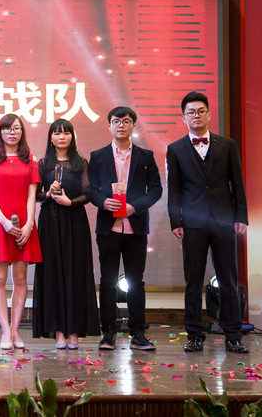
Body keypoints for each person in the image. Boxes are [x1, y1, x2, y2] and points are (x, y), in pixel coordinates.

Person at [167, 91, 249, 354]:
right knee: (193, 280)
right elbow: (174, 189)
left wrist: (241, 217)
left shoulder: (227, 144)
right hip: (192, 222)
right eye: (191, 112)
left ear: (209, 114)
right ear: (183, 117)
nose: (196, 116)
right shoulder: (175, 149)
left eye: (201, 111)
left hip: (224, 219)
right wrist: (175, 221)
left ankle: (233, 335)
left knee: (228, 279)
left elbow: (237, 183)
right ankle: (194, 334)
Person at [88, 106, 162, 351]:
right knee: (108, 281)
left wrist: (135, 207)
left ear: (133, 126)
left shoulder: (145, 156)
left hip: (135, 227)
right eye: (116, 121)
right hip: (108, 228)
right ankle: (108, 332)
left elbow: (156, 190)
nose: (121, 125)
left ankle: (138, 333)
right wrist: (102, 202)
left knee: (136, 282)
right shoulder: (98, 156)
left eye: (126, 121)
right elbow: (91, 190)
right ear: (109, 125)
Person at [33, 119, 100, 349]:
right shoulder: (43, 164)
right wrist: (48, 194)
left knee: (75, 273)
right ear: (50, 138)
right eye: (57, 133)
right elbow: (35, 194)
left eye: (66, 133)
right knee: (52, 273)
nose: (62, 137)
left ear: (72, 136)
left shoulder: (81, 163)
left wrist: (70, 202)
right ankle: (58, 331)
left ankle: (74, 331)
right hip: (50, 222)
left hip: (75, 222)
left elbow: (89, 193)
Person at [0, 113, 41, 350]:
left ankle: (15, 330)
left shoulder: (31, 160)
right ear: (0, 132)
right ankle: (5, 330)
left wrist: (29, 225)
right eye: (7, 128)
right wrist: (5, 222)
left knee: (21, 279)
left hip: (24, 224)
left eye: (16, 128)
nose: (12, 133)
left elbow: (32, 195)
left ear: (22, 132)